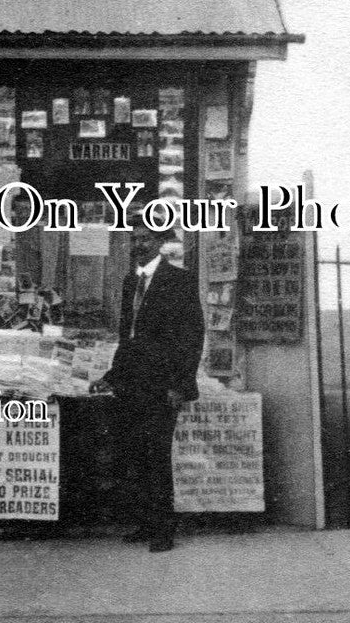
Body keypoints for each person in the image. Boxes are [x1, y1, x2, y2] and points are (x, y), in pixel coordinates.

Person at [92, 227, 204, 552]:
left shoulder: (179, 280)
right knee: (135, 454)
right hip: (132, 385)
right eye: (136, 239)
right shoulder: (132, 282)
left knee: (157, 457)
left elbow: (192, 336)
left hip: (162, 385)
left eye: (147, 239)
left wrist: (181, 385)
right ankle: (145, 523)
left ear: (160, 243)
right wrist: (112, 376)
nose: (140, 244)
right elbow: (127, 337)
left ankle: (163, 531)